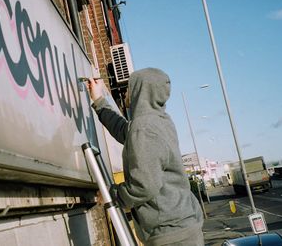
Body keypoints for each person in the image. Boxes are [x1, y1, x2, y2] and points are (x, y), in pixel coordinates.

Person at [87, 68, 204, 246]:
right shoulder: (160, 121)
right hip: (181, 228)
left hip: (170, 234)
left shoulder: (144, 128)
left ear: (141, 91)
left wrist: (112, 195)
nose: (126, 91)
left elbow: (144, 186)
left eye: (130, 86)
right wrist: (99, 100)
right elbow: (122, 129)